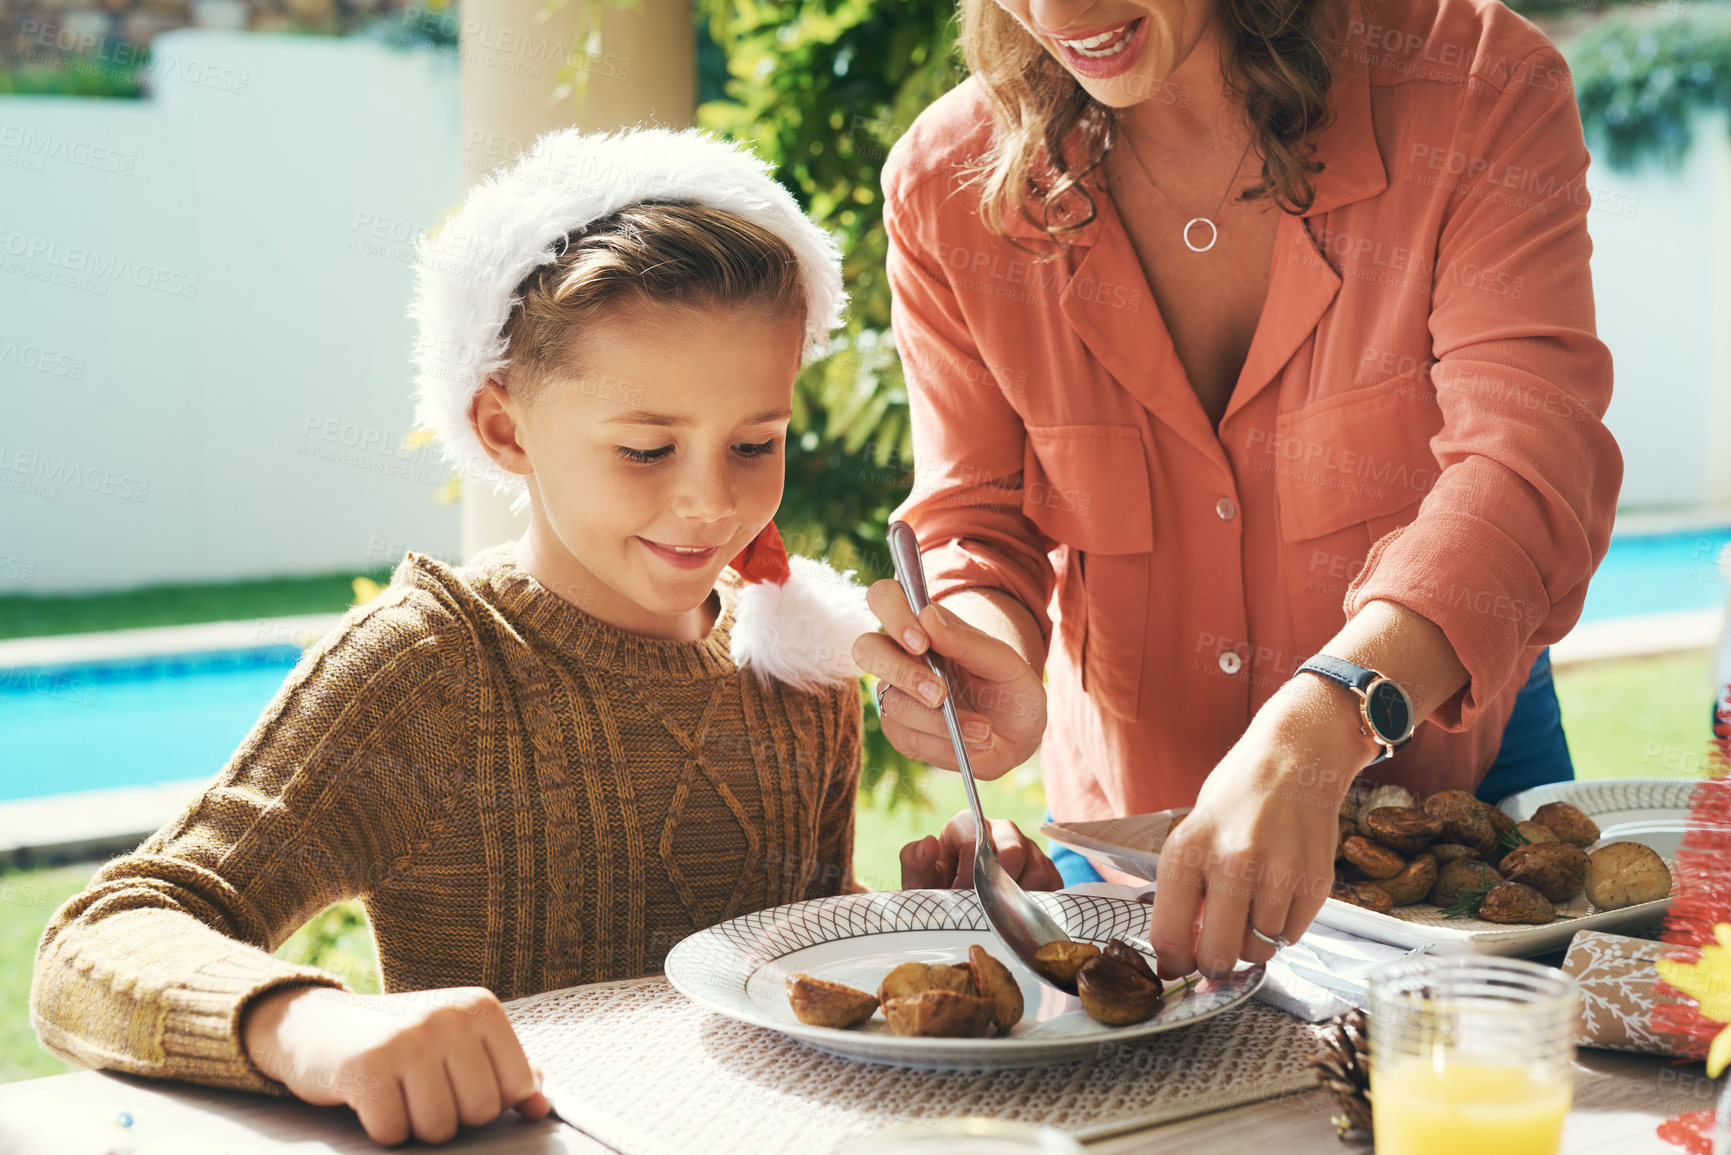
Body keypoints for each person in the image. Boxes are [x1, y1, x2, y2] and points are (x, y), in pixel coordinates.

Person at [29, 127, 1053, 1149]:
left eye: (756, 442)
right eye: (646, 447)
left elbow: (780, 972)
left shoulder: (797, 670)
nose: (710, 500)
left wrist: (923, 924)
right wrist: (316, 1026)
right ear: (505, 429)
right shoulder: (430, 669)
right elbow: (100, 943)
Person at [855, 0, 1621, 984]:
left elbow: (1527, 466)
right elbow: (976, 512)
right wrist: (980, 649)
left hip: (1449, 794)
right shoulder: (944, 183)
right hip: (1129, 847)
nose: (1062, 14)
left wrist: (1322, 726)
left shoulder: (1474, 86)